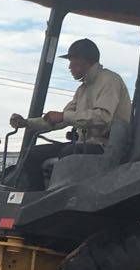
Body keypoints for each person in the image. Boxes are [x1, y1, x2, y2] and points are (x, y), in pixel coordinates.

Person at [8, 39, 132, 186]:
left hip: (108, 148)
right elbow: (61, 119)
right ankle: (32, 198)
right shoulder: (83, 90)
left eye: (72, 61)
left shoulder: (109, 80)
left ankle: (54, 200)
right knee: (33, 153)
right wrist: (26, 123)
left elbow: (103, 117)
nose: (69, 67)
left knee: (68, 152)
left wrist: (63, 116)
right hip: (87, 144)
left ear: (84, 60)